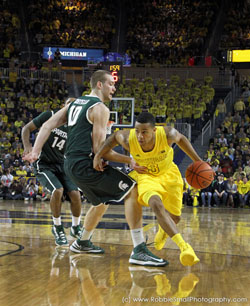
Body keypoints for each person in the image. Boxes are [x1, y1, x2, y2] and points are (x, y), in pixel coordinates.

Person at [23, 70, 166, 266]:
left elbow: (47, 126)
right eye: (111, 84)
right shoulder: (100, 109)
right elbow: (100, 151)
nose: (114, 88)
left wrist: (35, 151)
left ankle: (82, 241)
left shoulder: (76, 103)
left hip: (69, 164)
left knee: (103, 200)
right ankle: (139, 249)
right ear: (99, 85)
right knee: (133, 190)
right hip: (83, 163)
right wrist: (129, 161)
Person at [94, 112, 201, 266]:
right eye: (137, 131)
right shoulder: (127, 139)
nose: (140, 136)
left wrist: (198, 161)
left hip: (169, 175)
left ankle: (163, 231)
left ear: (154, 130)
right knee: (156, 204)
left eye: (144, 132)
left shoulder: (168, 134)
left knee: (175, 217)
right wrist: (98, 156)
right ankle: (185, 247)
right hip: (146, 177)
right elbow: (112, 139)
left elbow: (182, 139)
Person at [22, 101, 83, 247]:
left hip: (62, 164)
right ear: (63, 106)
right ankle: (57, 227)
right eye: (69, 105)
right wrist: (27, 147)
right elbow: (26, 129)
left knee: (75, 193)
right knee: (58, 190)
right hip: (43, 163)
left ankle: (76, 227)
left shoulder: (76, 127)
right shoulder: (49, 115)